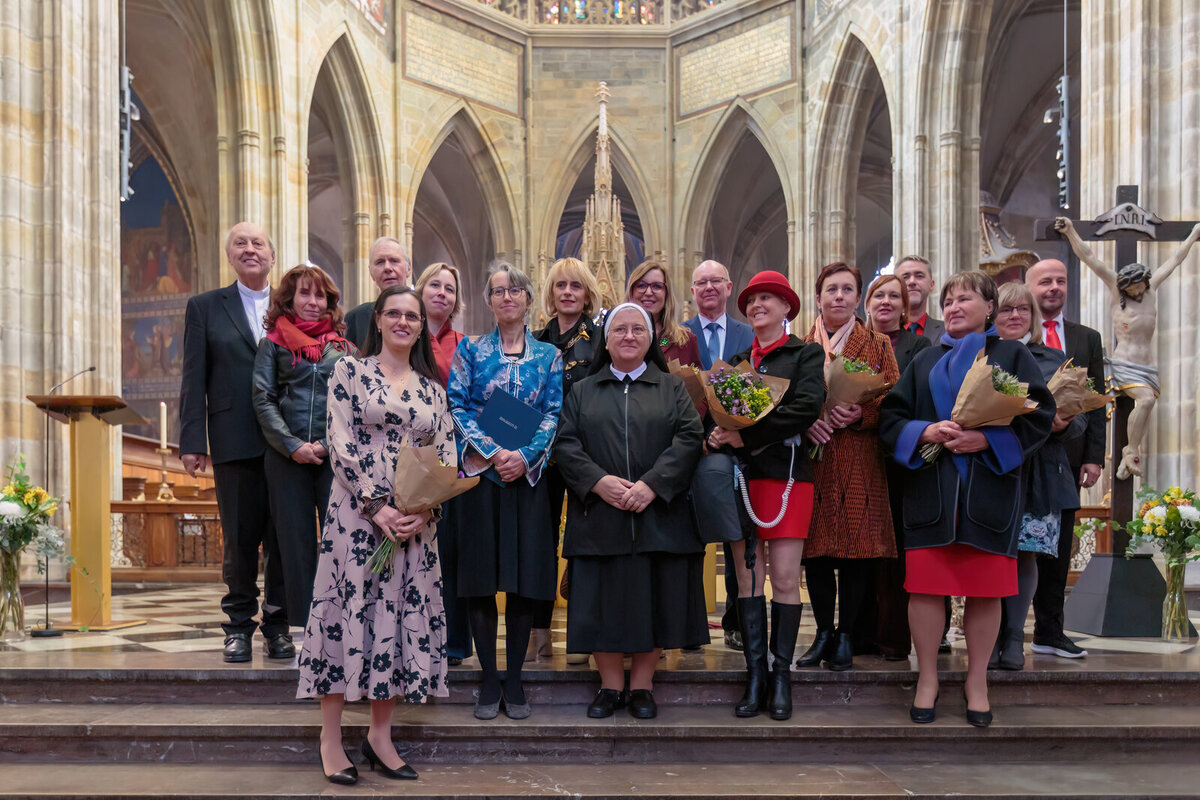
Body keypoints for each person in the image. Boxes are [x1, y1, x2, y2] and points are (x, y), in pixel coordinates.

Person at [879, 270, 1054, 727]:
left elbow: (1039, 416)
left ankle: (978, 682)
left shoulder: (1011, 354)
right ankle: (928, 679)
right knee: (925, 587)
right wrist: (925, 431)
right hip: (931, 491)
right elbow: (891, 419)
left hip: (988, 490)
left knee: (985, 588)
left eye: (965, 300)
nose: (954, 308)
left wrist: (987, 440)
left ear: (990, 307)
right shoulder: (923, 360)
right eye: (949, 301)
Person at [297, 286, 450, 785]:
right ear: (378, 320)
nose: (404, 322)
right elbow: (339, 441)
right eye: (394, 314)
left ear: (421, 327)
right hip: (355, 518)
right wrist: (377, 505)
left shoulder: (433, 391)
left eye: (413, 316)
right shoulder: (349, 371)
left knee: (397, 619)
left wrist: (424, 510)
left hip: (412, 524)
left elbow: (445, 457)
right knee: (345, 614)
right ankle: (330, 738)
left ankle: (380, 736)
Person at [556, 303, 707, 720]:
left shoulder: (671, 387)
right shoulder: (583, 390)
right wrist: (597, 482)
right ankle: (609, 685)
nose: (628, 336)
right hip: (599, 516)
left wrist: (653, 484)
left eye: (637, 329)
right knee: (601, 603)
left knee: (653, 600)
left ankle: (642, 685)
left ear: (650, 338)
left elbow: (689, 437)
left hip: (658, 515)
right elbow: (566, 443)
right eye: (619, 329)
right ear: (606, 341)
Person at [448, 262, 564, 720]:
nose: (507, 297)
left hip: (527, 480)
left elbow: (553, 413)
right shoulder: (471, 349)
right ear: (489, 301)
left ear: (529, 299)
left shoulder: (549, 356)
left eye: (515, 290)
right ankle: (489, 678)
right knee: (480, 580)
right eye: (498, 291)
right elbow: (457, 405)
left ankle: (514, 678)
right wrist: (495, 452)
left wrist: (524, 455)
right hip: (481, 478)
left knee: (523, 582)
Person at [708, 270, 825, 721]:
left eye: (767, 299)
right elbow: (718, 415)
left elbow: (806, 408)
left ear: (786, 307)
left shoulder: (805, 354)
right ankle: (754, 674)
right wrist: (718, 435)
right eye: (752, 300)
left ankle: (781, 676)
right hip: (741, 479)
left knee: (785, 578)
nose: (758, 305)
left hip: (788, 477)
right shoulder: (738, 362)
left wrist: (747, 436)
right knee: (747, 580)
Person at [179, 222, 292, 663]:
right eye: (240, 244)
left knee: (282, 539)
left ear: (272, 256)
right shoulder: (205, 307)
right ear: (229, 256)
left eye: (257, 243)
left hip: (287, 442)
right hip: (233, 438)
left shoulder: (290, 306)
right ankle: (239, 627)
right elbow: (194, 377)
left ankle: (278, 626)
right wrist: (192, 440)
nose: (249, 249)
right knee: (240, 541)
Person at [797, 263, 900, 672]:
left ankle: (845, 636)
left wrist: (862, 413)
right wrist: (807, 421)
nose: (838, 296)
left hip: (860, 455)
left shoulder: (877, 344)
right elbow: (786, 398)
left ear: (858, 298)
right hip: (816, 456)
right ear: (818, 297)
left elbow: (894, 398)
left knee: (858, 551)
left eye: (847, 289)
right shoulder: (801, 345)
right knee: (817, 551)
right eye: (831, 289)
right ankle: (823, 632)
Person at [1054, 218, 1200, 479]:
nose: (1137, 292)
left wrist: (1193, 235)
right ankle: (1130, 451)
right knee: (1145, 401)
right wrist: (1071, 231)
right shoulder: (1116, 288)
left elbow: (1176, 259)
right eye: (1132, 289)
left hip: (1147, 366)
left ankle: (1129, 455)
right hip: (1124, 365)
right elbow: (1090, 257)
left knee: (1146, 404)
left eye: (1139, 286)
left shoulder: (1151, 288)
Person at [252, 263, 354, 631]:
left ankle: (339, 623)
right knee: (293, 545)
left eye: (320, 295)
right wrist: (293, 445)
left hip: (333, 458)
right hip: (286, 458)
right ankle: (301, 628)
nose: (313, 301)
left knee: (340, 540)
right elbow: (263, 398)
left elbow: (352, 405)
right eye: (304, 294)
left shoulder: (344, 349)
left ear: (329, 302)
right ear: (289, 299)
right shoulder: (273, 343)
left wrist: (326, 444)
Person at [993, 281, 1085, 670]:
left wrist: (1065, 423)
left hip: (1040, 472)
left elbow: (1081, 420)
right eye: (1006, 309)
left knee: (1025, 554)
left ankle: (1015, 635)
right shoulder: (980, 354)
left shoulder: (1054, 359)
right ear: (991, 313)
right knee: (992, 555)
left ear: (1033, 317)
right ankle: (990, 634)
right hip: (993, 466)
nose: (1015, 316)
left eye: (1023, 310)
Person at [1024, 256, 1107, 660]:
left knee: (1056, 550)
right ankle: (1006, 631)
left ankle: (1050, 631)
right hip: (1021, 457)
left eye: (1060, 280)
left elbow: (1096, 400)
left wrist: (1094, 457)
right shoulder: (1016, 335)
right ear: (1029, 288)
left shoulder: (1086, 337)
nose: (1054, 287)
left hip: (1066, 459)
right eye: (1045, 281)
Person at [683, 259, 756, 651]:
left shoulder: (749, 334)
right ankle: (689, 624)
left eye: (716, 281)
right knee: (687, 537)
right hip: (688, 447)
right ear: (692, 290)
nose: (708, 287)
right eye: (701, 283)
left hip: (738, 447)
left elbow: (758, 392)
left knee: (736, 536)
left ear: (729, 287)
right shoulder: (677, 336)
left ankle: (737, 622)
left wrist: (733, 433)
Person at [532, 257, 602, 663]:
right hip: (539, 459)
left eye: (576, 286)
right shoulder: (535, 341)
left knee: (582, 545)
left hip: (585, 455)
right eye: (560, 285)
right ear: (551, 293)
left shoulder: (601, 340)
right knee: (540, 543)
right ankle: (539, 632)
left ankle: (582, 634)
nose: (568, 292)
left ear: (587, 294)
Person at [862, 273, 931, 660]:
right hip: (858, 454)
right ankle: (859, 633)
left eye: (894, 296)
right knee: (861, 551)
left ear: (905, 307)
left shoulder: (917, 345)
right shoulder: (854, 341)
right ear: (867, 303)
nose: (886, 302)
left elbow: (917, 395)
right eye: (879, 295)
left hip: (899, 459)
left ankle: (893, 638)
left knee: (896, 552)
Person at [413, 261, 471, 666]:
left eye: (450, 289)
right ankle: (411, 640)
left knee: (452, 552)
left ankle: (453, 643)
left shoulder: (466, 346)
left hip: (455, 460)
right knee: (412, 550)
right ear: (420, 290)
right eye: (435, 285)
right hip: (409, 457)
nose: (442, 294)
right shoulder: (403, 335)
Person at [626, 259, 702, 368]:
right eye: (641, 285)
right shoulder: (616, 337)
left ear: (666, 293)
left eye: (657, 286)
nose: (648, 292)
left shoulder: (685, 342)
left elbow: (696, 378)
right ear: (631, 292)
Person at [344, 237, 411, 349]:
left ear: (409, 268)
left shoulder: (424, 313)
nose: (387, 268)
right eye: (380, 262)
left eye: (394, 261)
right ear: (371, 272)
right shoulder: (356, 318)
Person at [896, 255, 945, 342]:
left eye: (919, 276)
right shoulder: (883, 333)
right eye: (905, 277)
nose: (912, 281)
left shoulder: (948, 332)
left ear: (931, 285)